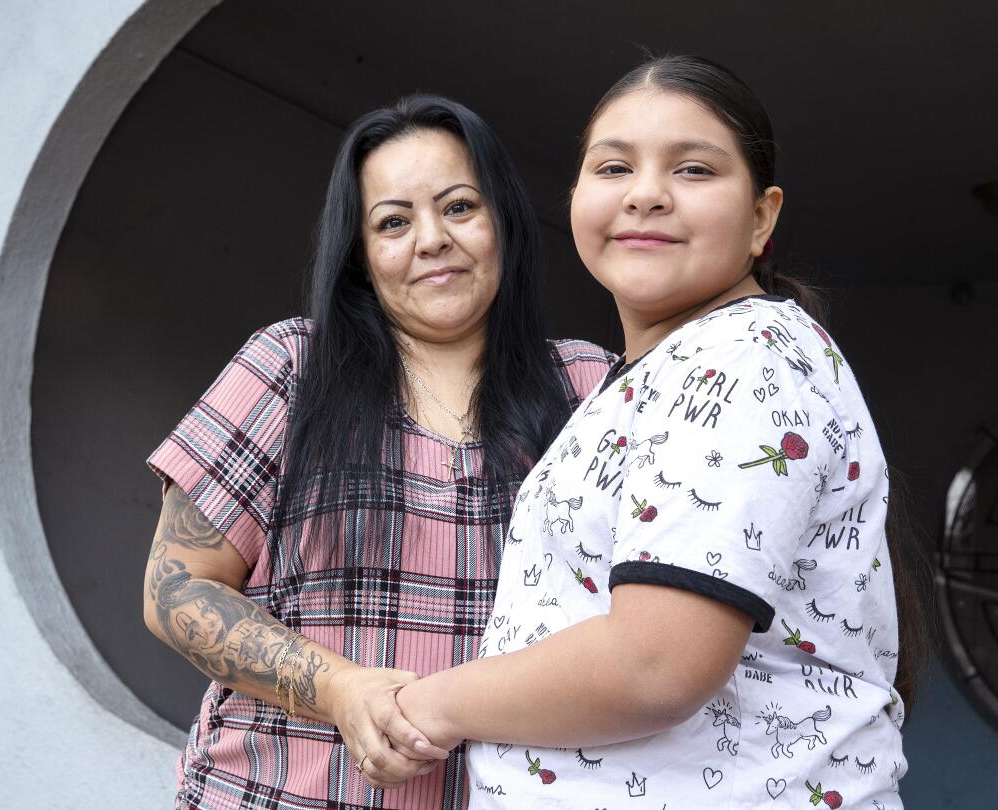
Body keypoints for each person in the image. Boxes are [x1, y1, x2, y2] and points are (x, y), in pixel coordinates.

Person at [392, 56, 925, 808]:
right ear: (576, 196)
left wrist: (427, 707)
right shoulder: (661, 372)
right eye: (614, 166)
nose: (646, 194)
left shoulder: (742, 358)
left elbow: (653, 665)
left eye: (695, 170)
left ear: (762, 217)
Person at [142, 94, 614, 809]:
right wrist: (341, 690)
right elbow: (175, 589)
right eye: (393, 222)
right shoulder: (291, 367)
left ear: (505, 223)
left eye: (459, 207)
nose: (431, 240)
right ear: (361, 256)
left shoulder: (592, 392)